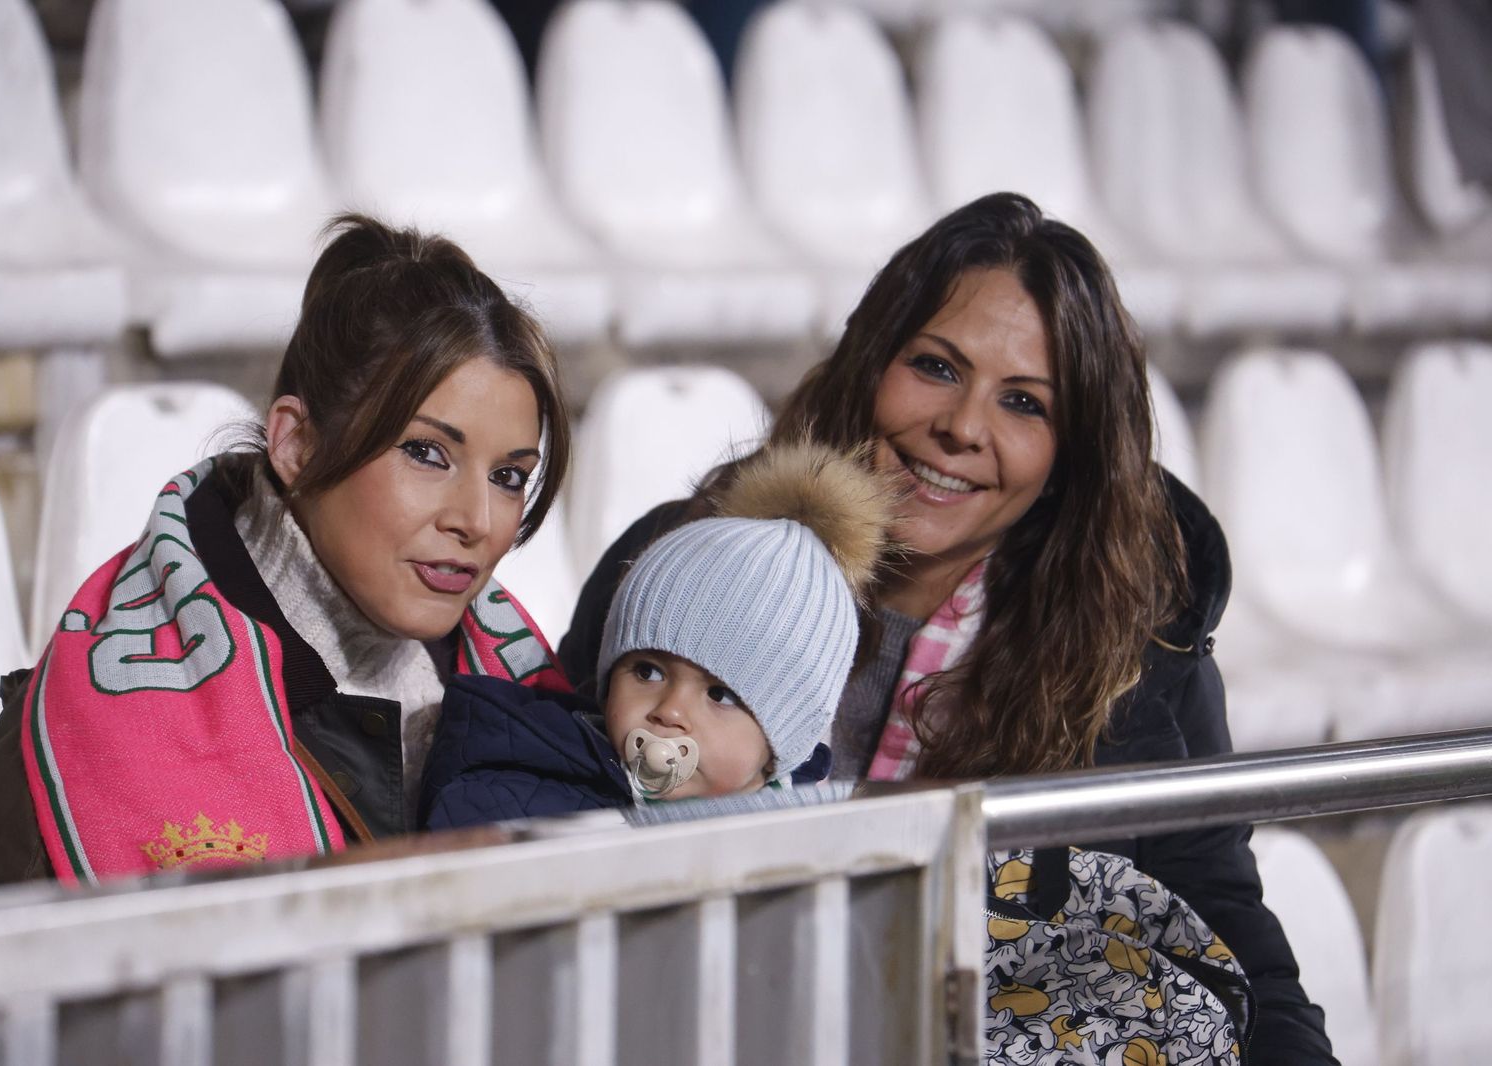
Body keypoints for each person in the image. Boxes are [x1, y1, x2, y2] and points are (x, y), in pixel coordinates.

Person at [559, 193, 1337, 1063]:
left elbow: (1219, 917)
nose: (963, 428)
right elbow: (552, 806)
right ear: (869, 363)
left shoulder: (1136, 644)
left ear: (1071, 451)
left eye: (1025, 404)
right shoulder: (685, 564)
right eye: (934, 366)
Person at [0, 214, 572, 891]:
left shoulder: (527, 700)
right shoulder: (69, 736)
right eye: (425, 453)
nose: (477, 521)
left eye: (509, 476)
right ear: (296, 444)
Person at [417, 442, 890, 829]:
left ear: (782, 748)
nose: (669, 712)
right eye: (647, 670)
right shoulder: (520, 791)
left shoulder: (807, 829)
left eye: (721, 694)